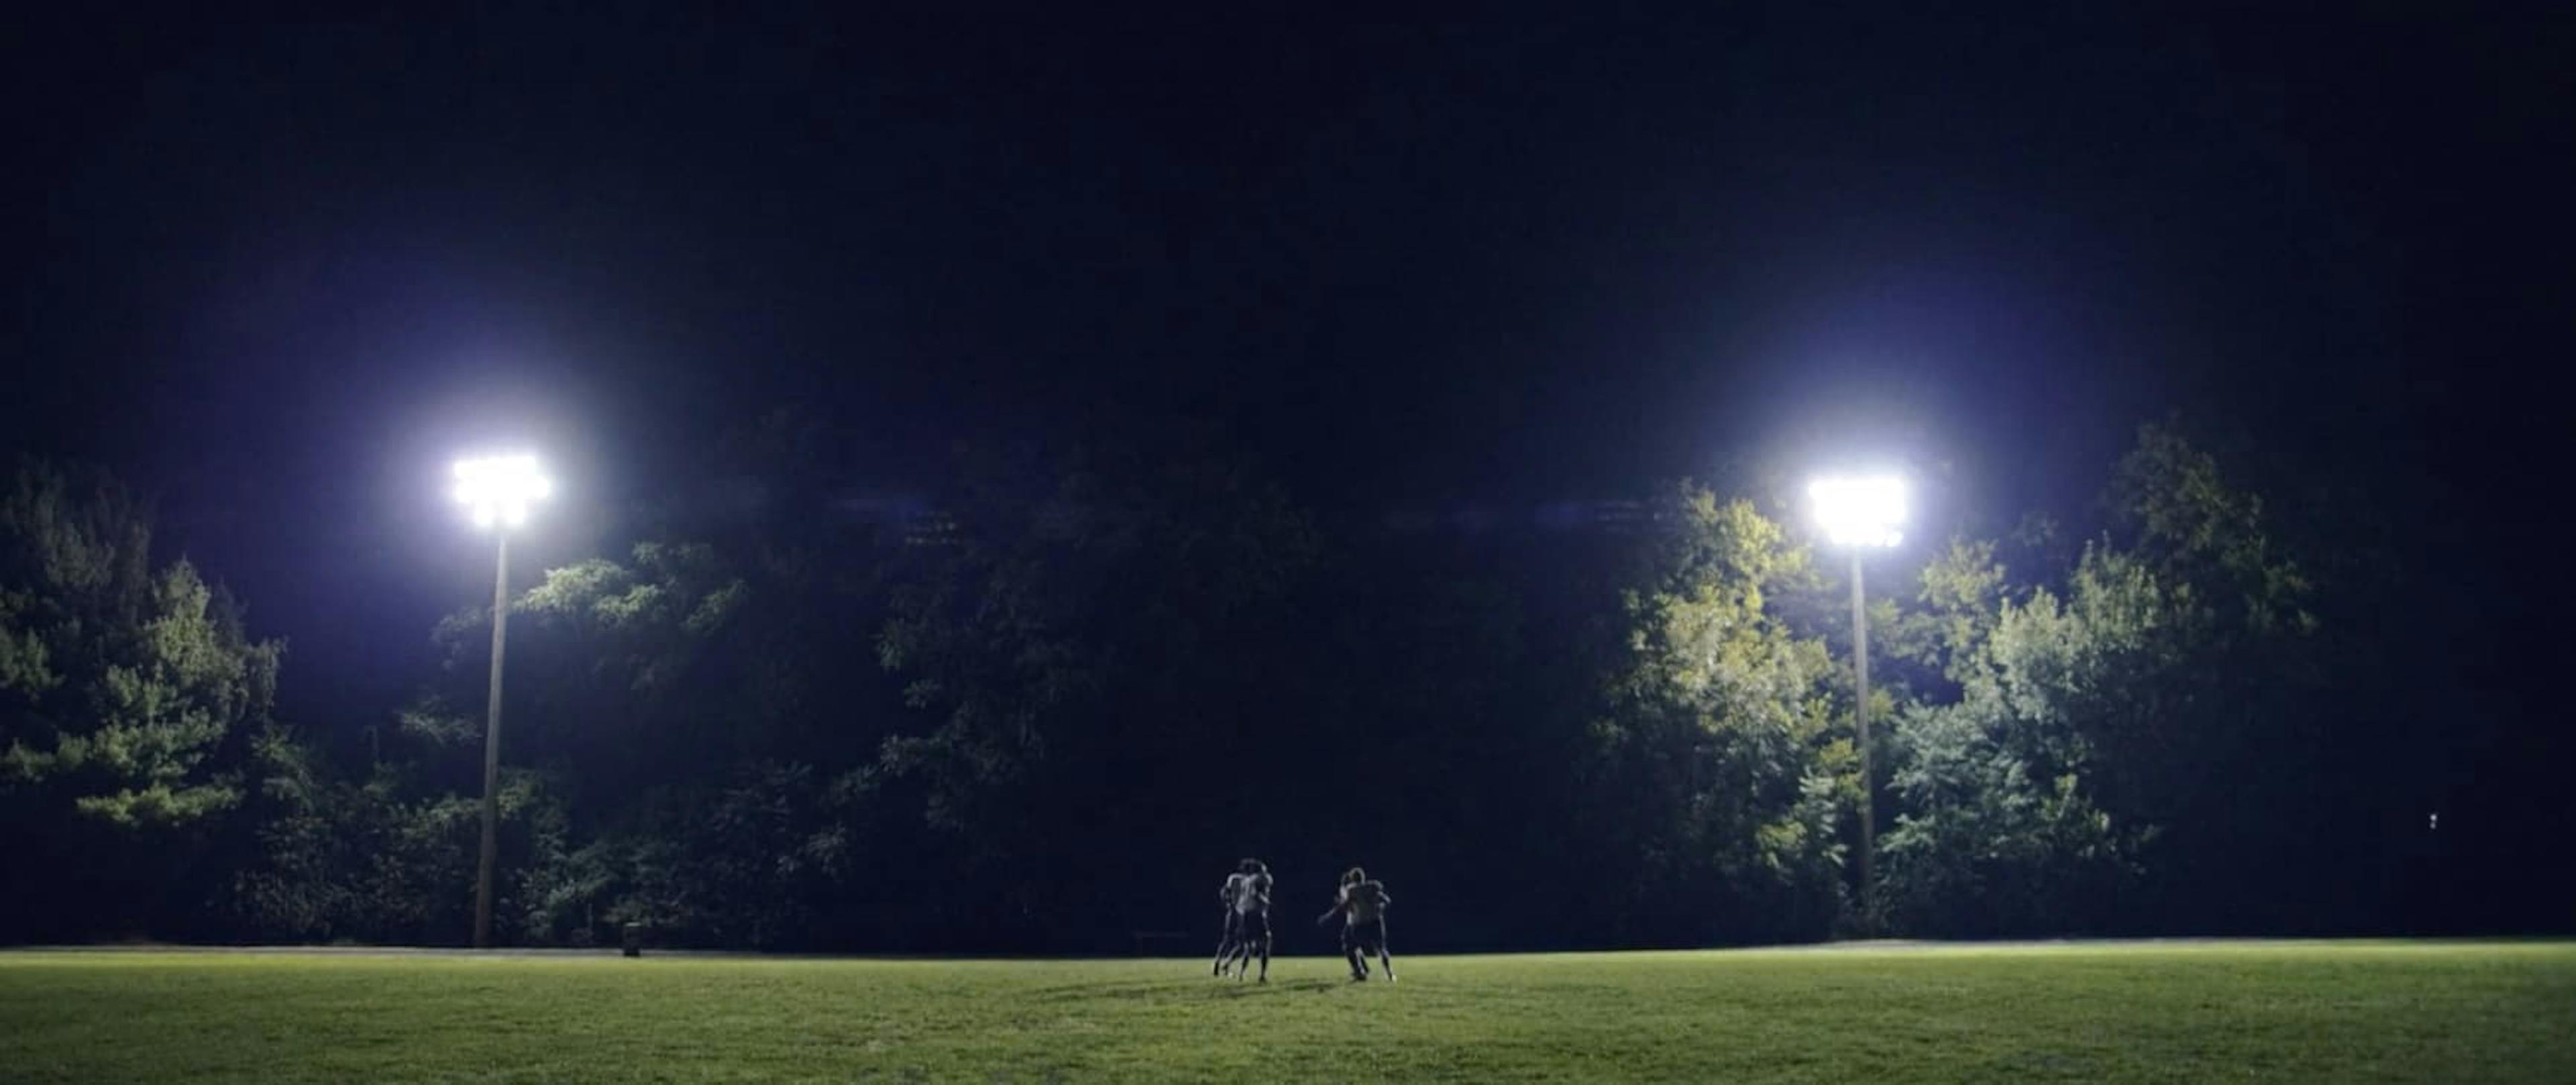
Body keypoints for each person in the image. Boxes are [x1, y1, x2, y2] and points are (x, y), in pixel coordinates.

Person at [1316, 866, 1395, 982]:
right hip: (1376, 921)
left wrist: (1327, 916)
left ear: (1352, 880)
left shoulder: (1352, 890)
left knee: (1349, 946)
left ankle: (1360, 971)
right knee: (1382, 948)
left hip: (1361, 924)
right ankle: (1390, 974)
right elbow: (1387, 900)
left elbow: (1344, 907)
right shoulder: (1373, 887)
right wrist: (1380, 908)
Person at [1212, 858, 1273, 981]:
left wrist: (1227, 903)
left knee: (1243, 945)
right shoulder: (1257, 878)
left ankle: (1230, 967)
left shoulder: (1239, 879)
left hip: (1243, 913)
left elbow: (1224, 891)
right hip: (1251, 914)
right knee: (1264, 942)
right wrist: (1267, 902)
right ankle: (1261, 975)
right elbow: (1257, 894)